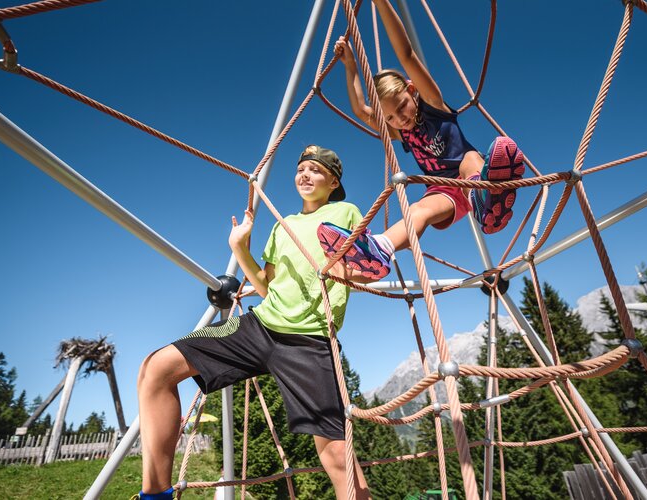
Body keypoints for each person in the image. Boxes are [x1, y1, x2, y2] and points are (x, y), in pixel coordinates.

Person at [135, 145, 371, 500]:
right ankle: (156, 495)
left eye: (316, 170)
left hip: (310, 341)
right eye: (300, 169)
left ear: (333, 181)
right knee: (156, 368)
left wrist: (349, 268)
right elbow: (265, 287)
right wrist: (240, 248)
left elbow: (367, 264)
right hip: (260, 328)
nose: (305, 175)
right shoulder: (283, 226)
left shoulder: (346, 212)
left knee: (337, 453)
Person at [318, 0, 527, 280]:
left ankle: (487, 195)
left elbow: (405, 55)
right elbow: (360, 110)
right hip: (444, 192)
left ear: (412, 90)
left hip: (468, 180)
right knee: (418, 210)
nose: (399, 119)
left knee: (470, 158)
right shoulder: (400, 131)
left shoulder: (432, 104)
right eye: (389, 118)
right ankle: (380, 249)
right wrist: (350, 65)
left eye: (401, 106)